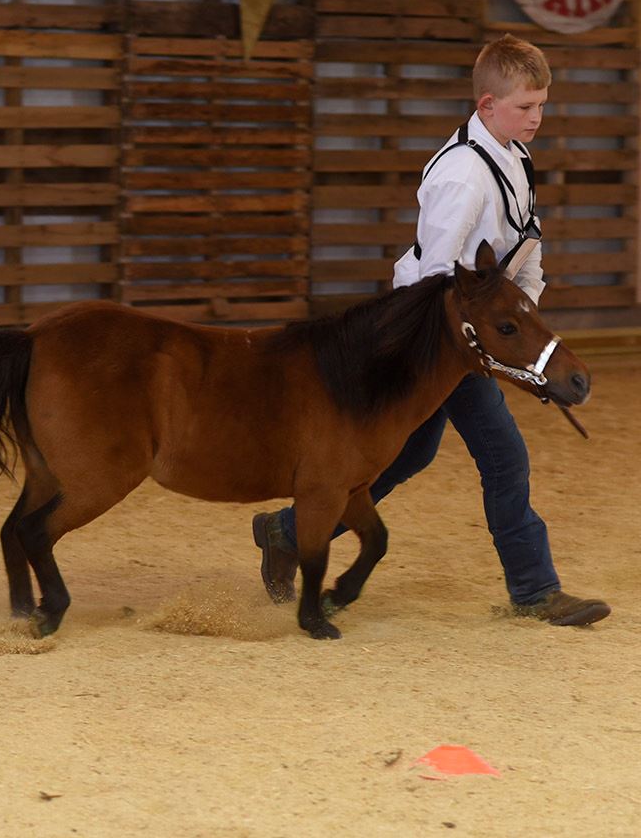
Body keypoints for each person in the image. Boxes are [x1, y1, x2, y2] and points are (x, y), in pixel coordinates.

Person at [253, 34, 610, 627]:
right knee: (504, 456)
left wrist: (521, 323)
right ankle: (534, 590)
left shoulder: (512, 155)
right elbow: (438, 282)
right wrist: (493, 345)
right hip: (440, 340)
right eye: (527, 107)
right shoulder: (463, 177)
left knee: (406, 455)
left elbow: (529, 248)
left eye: (542, 105)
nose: (538, 118)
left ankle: (286, 531)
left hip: (474, 335)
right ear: (488, 103)